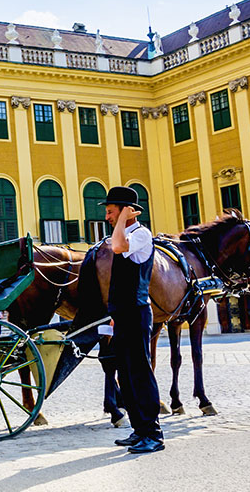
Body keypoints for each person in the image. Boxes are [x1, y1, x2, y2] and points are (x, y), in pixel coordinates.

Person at [102, 185, 164, 453]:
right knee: (125, 376)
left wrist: (124, 219)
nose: (107, 217)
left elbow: (117, 246)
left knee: (140, 373)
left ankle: (154, 434)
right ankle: (139, 430)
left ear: (127, 211)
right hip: (122, 315)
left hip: (137, 313)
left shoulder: (141, 234)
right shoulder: (124, 233)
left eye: (111, 211)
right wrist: (114, 315)